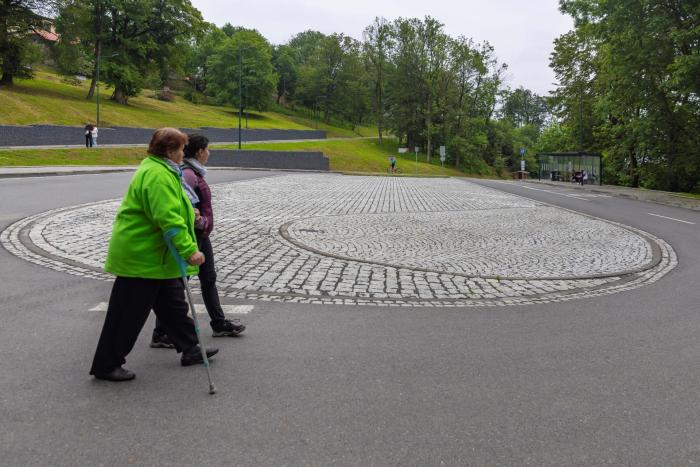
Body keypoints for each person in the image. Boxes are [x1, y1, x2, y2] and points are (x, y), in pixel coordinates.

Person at [90, 128, 218, 382]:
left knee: (173, 305)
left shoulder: (162, 169)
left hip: (156, 258)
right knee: (127, 313)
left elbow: (174, 206)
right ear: (169, 151)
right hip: (143, 256)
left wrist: (189, 213)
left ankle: (191, 348)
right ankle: (107, 364)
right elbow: (167, 218)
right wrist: (189, 250)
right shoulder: (158, 174)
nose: (184, 153)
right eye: (181, 149)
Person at [150, 134, 245, 349]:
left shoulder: (196, 172)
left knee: (208, 278)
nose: (209, 153)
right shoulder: (189, 174)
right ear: (200, 151)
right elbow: (183, 206)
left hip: (202, 235)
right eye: (207, 149)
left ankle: (218, 323)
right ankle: (161, 332)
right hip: (193, 236)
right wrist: (198, 220)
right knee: (178, 284)